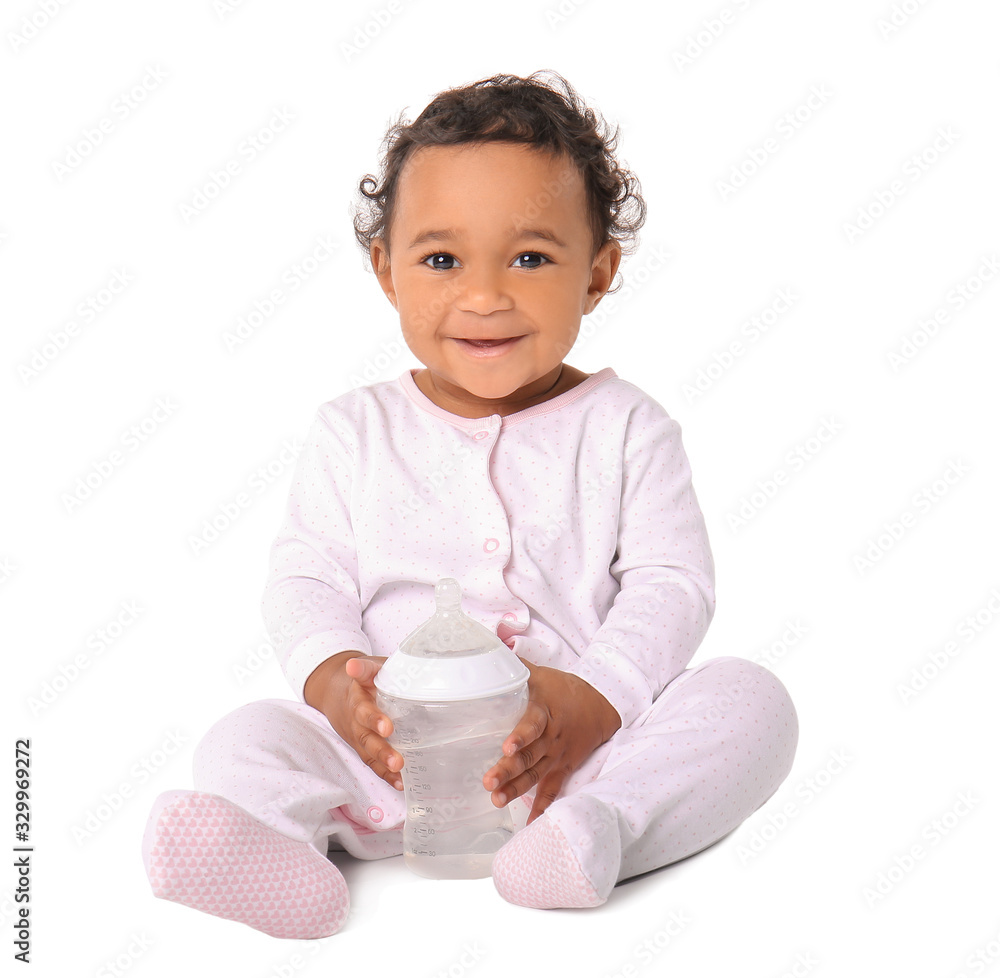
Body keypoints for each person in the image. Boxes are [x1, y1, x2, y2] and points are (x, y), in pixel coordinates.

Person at [141, 70, 798, 940]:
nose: (484, 296)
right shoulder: (355, 431)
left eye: (530, 257)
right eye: (442, 259)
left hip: (572, 757)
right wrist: (341, 691)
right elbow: (306, 577)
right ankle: (277, 852)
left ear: (598, 273)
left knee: (753, 702)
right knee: (247, 735)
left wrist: (589, 702)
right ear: (386, 270)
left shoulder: (627, 427)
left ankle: (596, 831)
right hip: (390, 758)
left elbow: (671, 585)